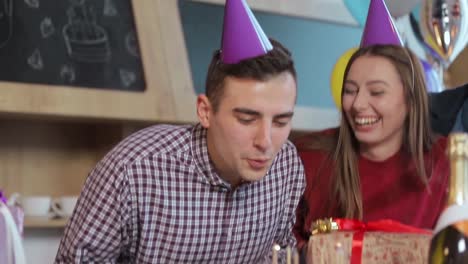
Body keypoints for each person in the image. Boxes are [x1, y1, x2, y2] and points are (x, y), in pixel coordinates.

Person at [55, 15, 305, 263]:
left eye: (281, 122)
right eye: (247, 119)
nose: (266, 142)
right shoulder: (132, 171)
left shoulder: (287, 166)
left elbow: (282, 255)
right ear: (205, 112)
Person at [293, 44, 449, 251]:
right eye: (350, 91)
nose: (358, 103)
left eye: (376, 92)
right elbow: (282, 247)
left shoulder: (449, 159)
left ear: (411, 101)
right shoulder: (308, 157)